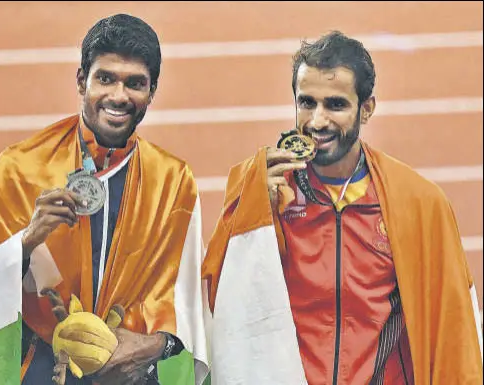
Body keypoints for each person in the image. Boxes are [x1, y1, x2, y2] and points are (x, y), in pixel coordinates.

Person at [0, 14, 209, 385]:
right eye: (105, 78)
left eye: (135, 83)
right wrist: (25, 243)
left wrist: (152, 347)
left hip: (130, 372)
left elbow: (190, 303)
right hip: (44, 368)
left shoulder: (173, 181)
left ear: (152, 91)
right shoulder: (22, 168)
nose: (119, 97)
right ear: (81, 80)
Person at [202, 31, 483, 384]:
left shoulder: (417, 202)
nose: (317, 121)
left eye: (336, 105)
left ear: (367, 109)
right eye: (306, 103)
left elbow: (453, 326)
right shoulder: (261, 190)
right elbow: (220, 306)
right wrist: (256, 221)